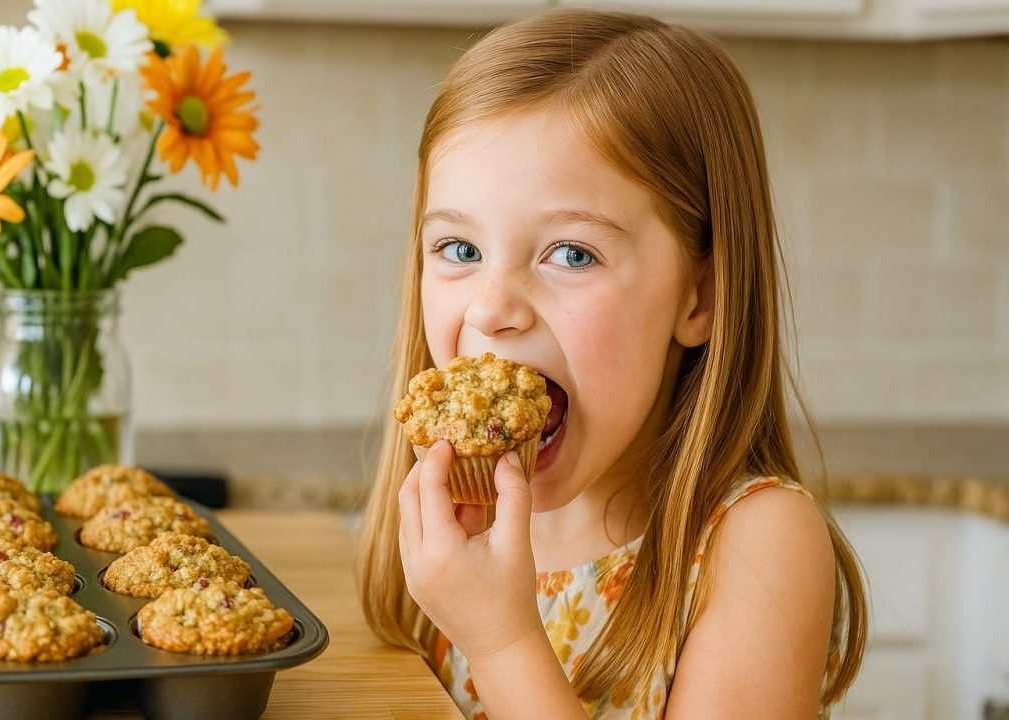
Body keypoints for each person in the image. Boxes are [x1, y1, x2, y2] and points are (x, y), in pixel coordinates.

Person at [355, 7, 869, 719]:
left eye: (572, 254)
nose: (491, 308)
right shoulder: (453, 529)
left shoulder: (759, 546)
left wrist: (502, 643)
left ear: (699, 295)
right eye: (460, 250)